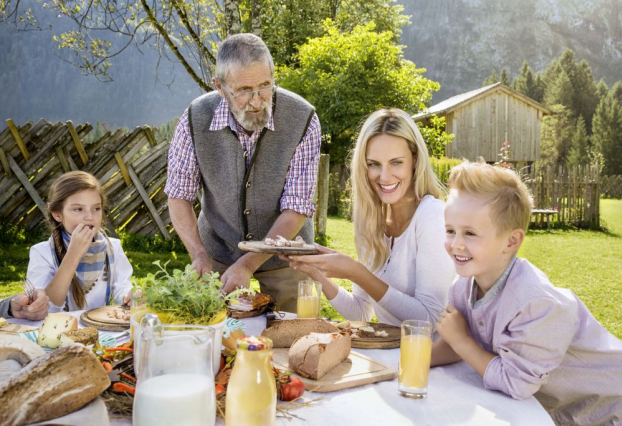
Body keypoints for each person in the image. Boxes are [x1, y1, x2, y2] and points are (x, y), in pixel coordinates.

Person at [433, 160, 622, 425]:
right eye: (451, 231)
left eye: (470, 233)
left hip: (620, 407)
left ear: (511, 241)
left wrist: (460, 341)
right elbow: (456, 343)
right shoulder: (462, 288)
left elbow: (515, 382)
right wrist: (406, 364)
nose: (456, 244)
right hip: (563, 410)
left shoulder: (536, 302)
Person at [165, 33, 321, 313]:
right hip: (219, 251)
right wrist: (199, 255)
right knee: (218, 336)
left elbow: (296, 207)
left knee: (295, 338)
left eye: (265, 86)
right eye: (244, 90)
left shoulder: (303, 118)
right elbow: (178, 196)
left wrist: (248, 263)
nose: (257, 100)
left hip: (288, 256)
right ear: (220, 87)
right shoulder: (194, 118)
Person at [285, 108, 456, 326]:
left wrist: (357, 273)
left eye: (396, 162)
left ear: (414, 160)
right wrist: (315, 271)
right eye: (374, 164)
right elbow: (360, 312)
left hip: (431, 358)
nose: (384, 176)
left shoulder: (433, 216)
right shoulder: (371, 222)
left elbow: (431, 319)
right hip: (388, 352)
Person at [26, 171, 133, 312]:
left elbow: (121, 286)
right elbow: (47, 305)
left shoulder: (113, 247)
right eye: (78, 209)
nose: (89, 217)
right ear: (57, 214)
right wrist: (73, 254)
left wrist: (127, 296)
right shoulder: (42, 253)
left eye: (96, 208)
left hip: (99, 330)